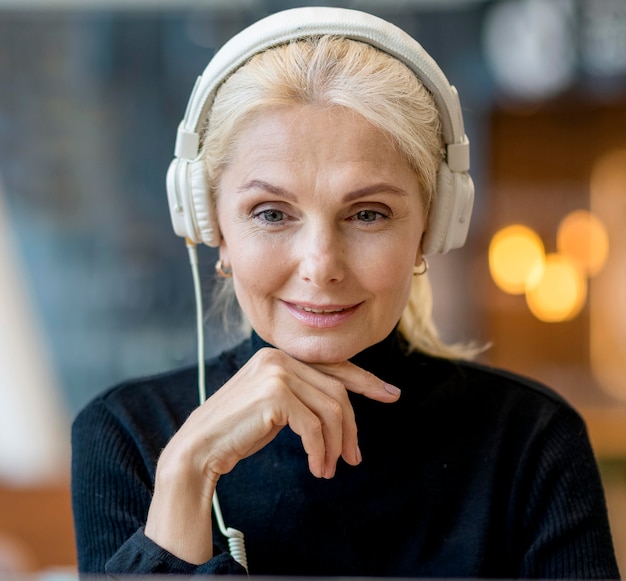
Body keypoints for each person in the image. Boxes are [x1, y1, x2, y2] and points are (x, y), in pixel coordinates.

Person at [71, 6, 620, 579]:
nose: (321, 266)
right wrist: (187, 476)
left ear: (430, 229)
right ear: (213, 230)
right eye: (271, 213)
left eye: (367, 213)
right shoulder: (130, 436)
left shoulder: (531, 440)